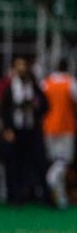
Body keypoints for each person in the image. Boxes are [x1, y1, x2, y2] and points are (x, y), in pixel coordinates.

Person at [0, 56, 49, 204]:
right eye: (18, 65)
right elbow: (4, 109)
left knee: (38, 161)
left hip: (31, 129)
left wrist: (35, 107)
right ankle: (14, 196)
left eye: (23, 65)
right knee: (14, 164)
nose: (21, 68)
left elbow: (45, 105)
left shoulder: (33, 85)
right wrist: (7, 128)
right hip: (15, 130)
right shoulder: (10, 88)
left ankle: (43, 195)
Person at [40, 58, 77, 209]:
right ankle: (51, 178)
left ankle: (61, 199)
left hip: (49, 127)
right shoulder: (70, 82)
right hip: (66, 127)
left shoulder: (46, 83)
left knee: (54, 159)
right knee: (64, 161)